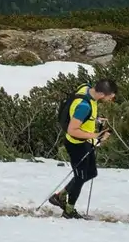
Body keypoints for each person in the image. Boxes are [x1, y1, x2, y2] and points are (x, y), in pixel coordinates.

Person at [50, 78, 118, 219]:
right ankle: (69, 211)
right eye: (110, 97)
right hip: (76, 144)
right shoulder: (84, 106)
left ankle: (60, 196)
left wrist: (95, 119)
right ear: (102, 95)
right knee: (80, 177)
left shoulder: (86, 88)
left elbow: (79, 116)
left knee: (91, 173)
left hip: (85, 142)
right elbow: (72, 130)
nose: (111, 100)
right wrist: (97, 136)